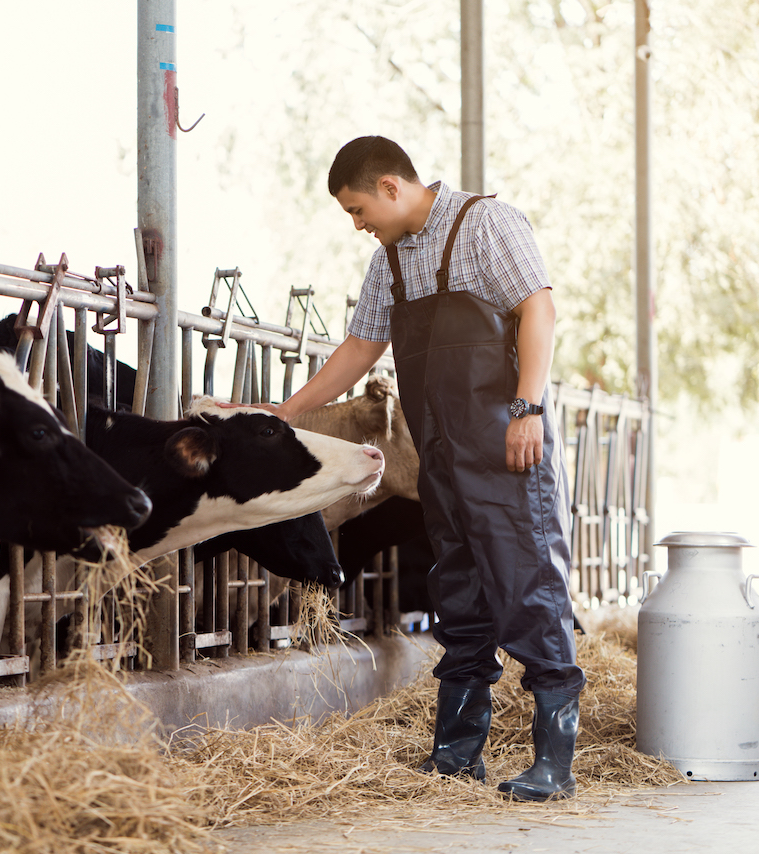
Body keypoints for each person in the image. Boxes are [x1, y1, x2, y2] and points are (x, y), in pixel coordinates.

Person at [243, 136, 585, 801]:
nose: (358, 224)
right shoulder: (390, 263)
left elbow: (538, 309)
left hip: (510, 450)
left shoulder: (486, 224)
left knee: (529, 589)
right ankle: (457, 755)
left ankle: (555, 761)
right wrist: (288, 412)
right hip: (444, 459)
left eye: (358, 208)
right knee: (460, 598)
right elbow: (361, 347)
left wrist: (528, 408)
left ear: (393, 187)